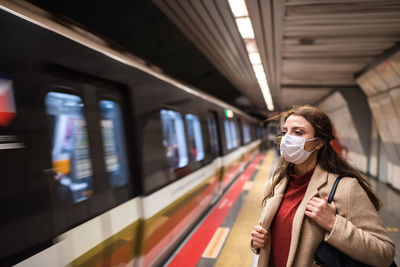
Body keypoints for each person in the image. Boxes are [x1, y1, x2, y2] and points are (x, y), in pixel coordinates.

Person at [250, 106, 395, 267]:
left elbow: (385, 253)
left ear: (318, 143)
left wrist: (333, 224)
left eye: (298, 132)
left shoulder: (345, 188)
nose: (288, 138)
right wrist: (257, 242)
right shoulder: (276, 183)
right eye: (285, 132)